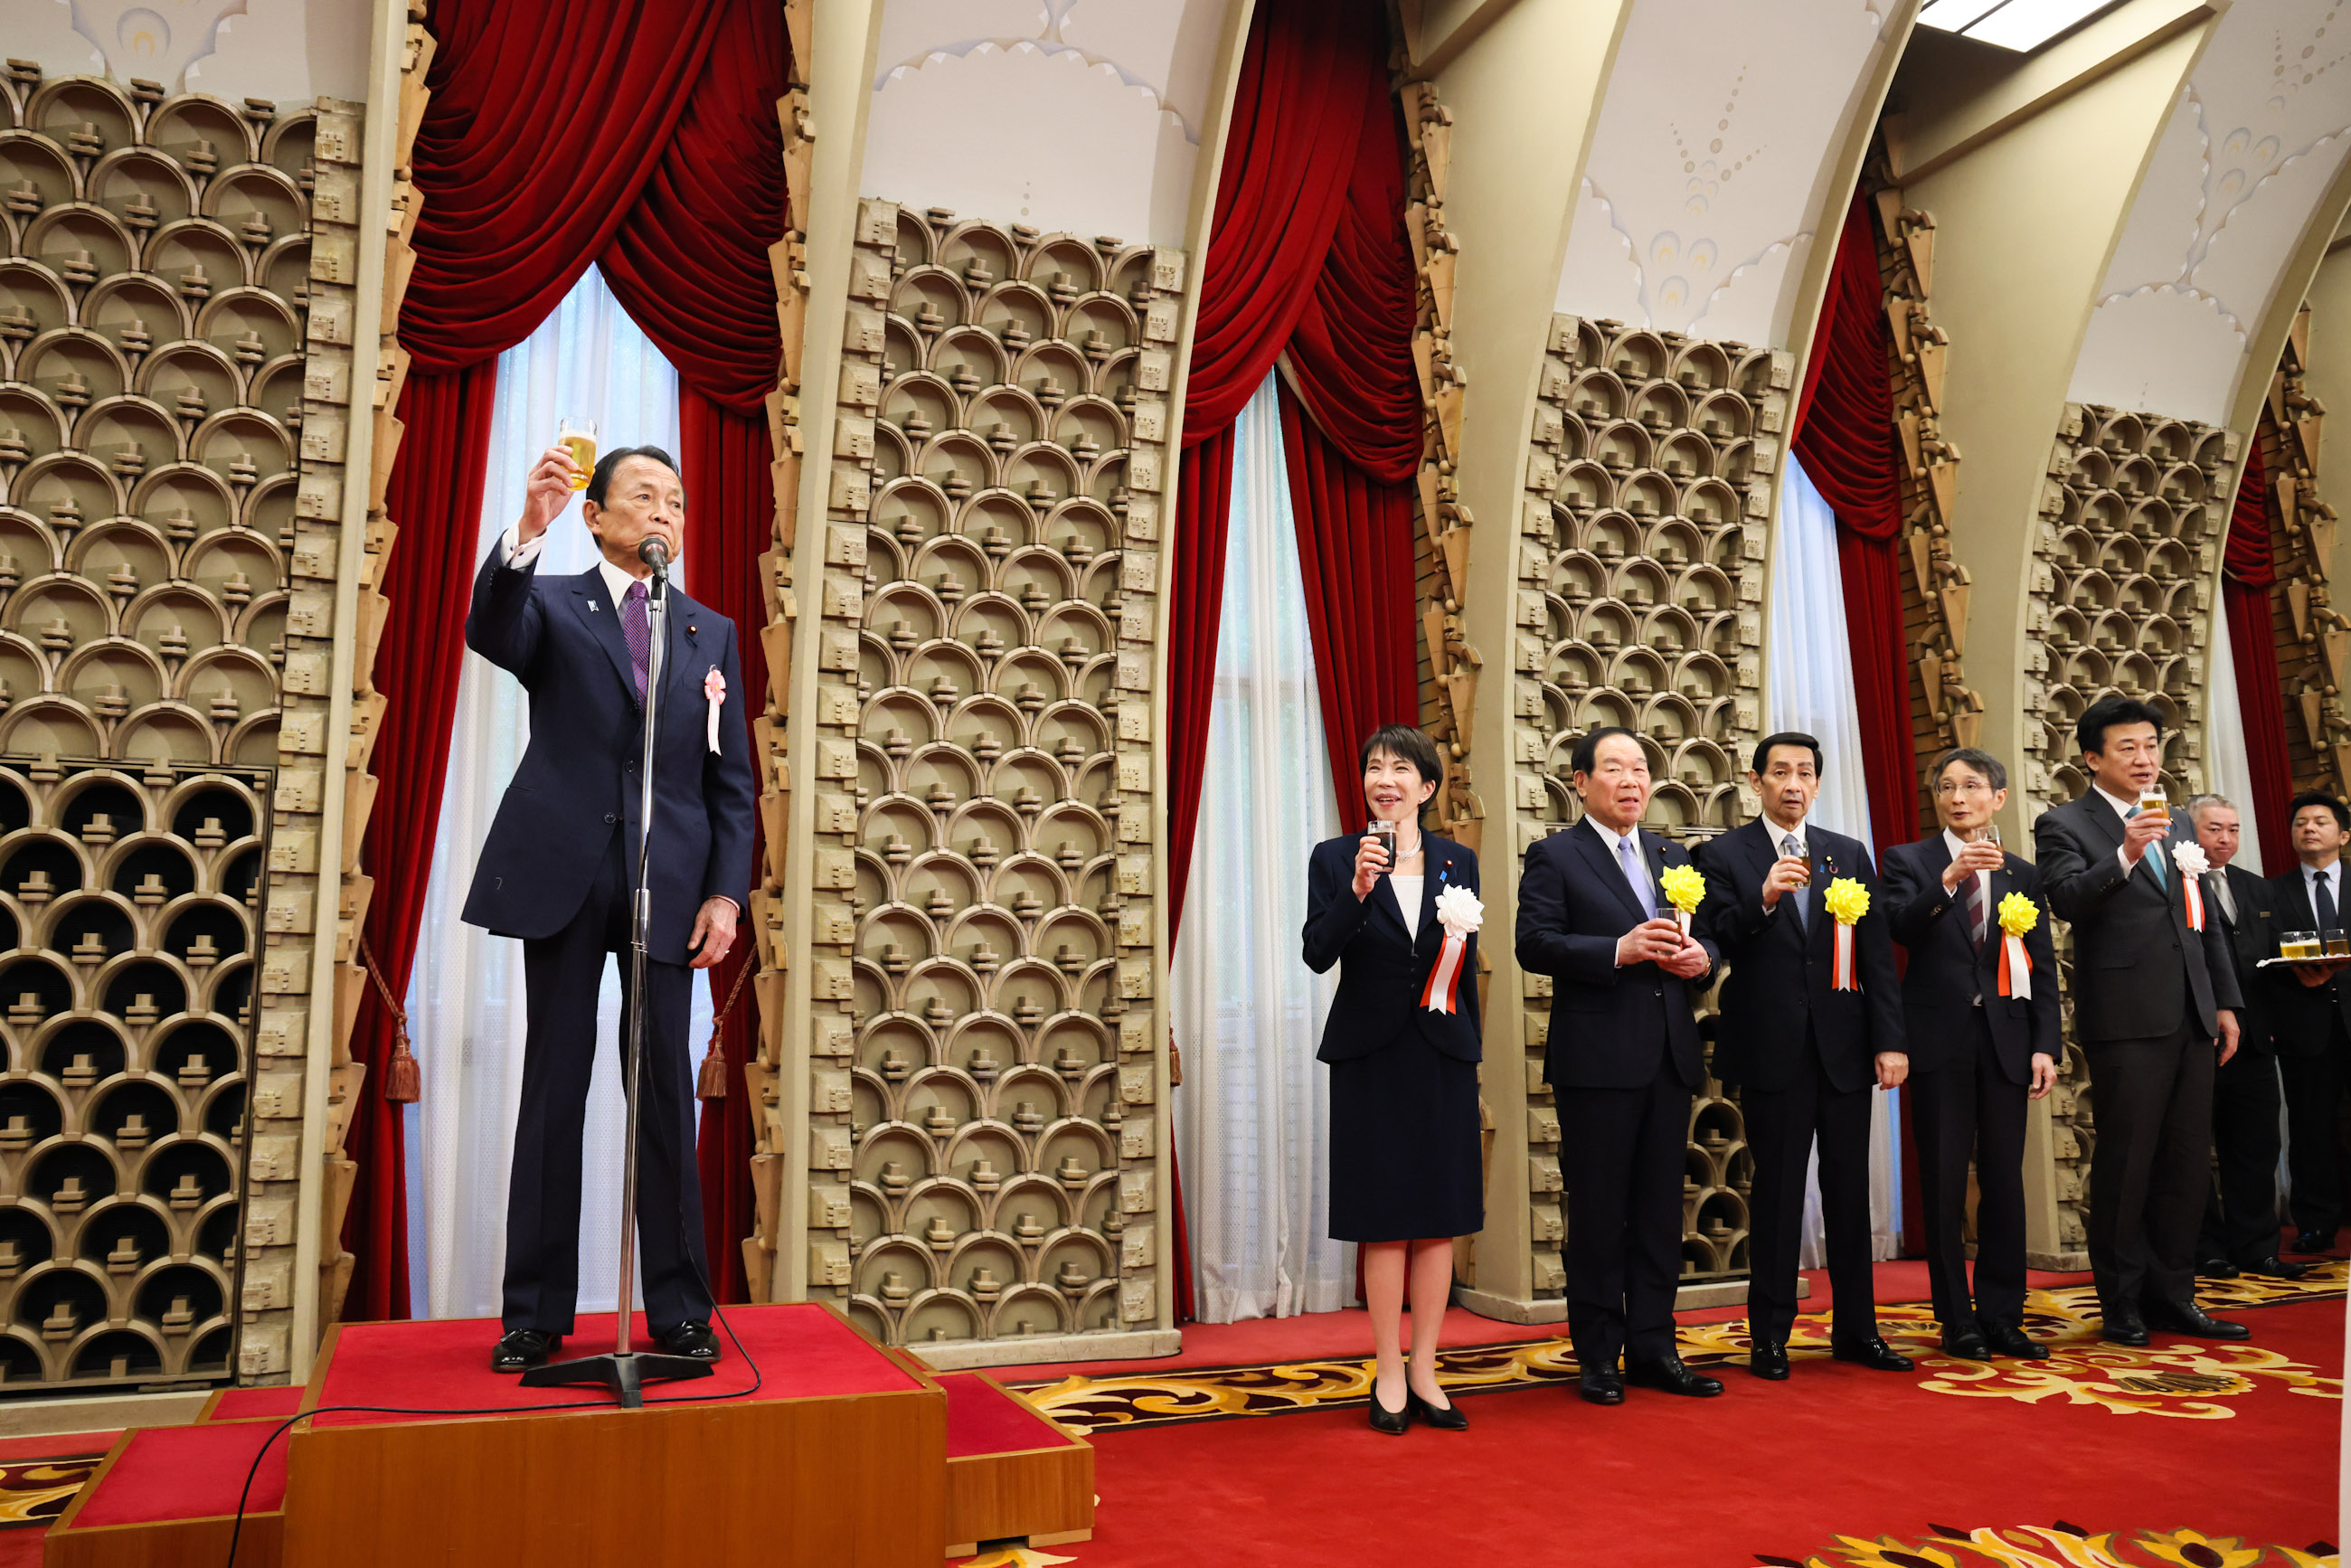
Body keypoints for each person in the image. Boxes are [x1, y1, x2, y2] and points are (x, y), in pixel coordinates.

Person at [464, 442, 755, 1373]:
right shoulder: (549, 601)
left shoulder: (711, 633)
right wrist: (526, 533)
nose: (663, 512)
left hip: (665, 887)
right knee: (555, 1085)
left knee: (663, 1093)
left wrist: (724, 892)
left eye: (675, 499)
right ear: (597, 515)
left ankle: (676, 1308)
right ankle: (535, 1315)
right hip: (561, 872)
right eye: (643, 496)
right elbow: (490, 632)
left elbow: (730, 784)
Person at [1515, 726, 1722, 1406]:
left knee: (1663, 1212)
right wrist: (1618, 949)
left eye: (1640, 768)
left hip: (1668, 1058)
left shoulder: (1670, 853)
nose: (1632, 781)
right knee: (1601, 1215)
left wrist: (1705, 961)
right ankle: (1598, 1355)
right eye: (1615, 769)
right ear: (1581, 782)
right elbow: (1534, 943)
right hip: (1598, 1062)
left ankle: (1656, 1348)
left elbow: (1706, 935)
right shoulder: (1556, 855)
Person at [1694, 732, 1911, 1380]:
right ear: (1755, 781)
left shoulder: (1847, 854)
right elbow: (1715, 940)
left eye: (1806, 773)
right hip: (1771, 1052)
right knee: (1778, 1195)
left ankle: (1858, 1332)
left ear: (1817, 784)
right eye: (1781, 772)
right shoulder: (1724, 854)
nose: (1794, 783)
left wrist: (1890, 1040)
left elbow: (1876, 955)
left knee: (1850, 1197)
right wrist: (1762, 899)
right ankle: (1770, 1337)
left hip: (1844, 1050)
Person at [2033, 695, 2245, 1345]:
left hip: (2192, 1013)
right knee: (2127, 1163)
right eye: (2128, 747)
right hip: (2127, 1018)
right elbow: (2068, 900)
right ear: (2093, 757)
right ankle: (2121, 1302)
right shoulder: (2063, 822)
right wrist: (2124, 853)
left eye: (2151, 745)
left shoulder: (2179, 820)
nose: (2145, 758)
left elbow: (2200, 917)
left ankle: (2174, 1295)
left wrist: (2225, 1003)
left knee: (2186, 1163)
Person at [1302, 724, 1482, 1435]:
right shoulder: (1336, 857)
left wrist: (1469, 1046)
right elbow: (1318, 952)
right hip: (1370, 1056)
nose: (1386, 777)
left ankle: (1428, 1369)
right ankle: (1385, 1368)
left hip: (1439, 1051)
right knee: (1384, 1219)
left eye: (1401, 767)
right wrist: (1356, 890)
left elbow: (1464, 961)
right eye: (1375, 766)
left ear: (1427, 787)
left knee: (1438, 1219)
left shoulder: (1456, 861)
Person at [1881, 748, 2060, 1360]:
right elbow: (1899, 928)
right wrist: (1949, 881)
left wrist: (2045, 1044)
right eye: (1947, 787)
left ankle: (2005, 1315)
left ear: (1998, 799)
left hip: (2008, 1042)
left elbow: (2042, 966)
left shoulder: (2023, 874)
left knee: (2005, 1183)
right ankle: (1956, 1319)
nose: (1958, 797)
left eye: (1972, 786)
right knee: (1944, 1182)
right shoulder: (1909, 861)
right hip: (1938, 1043)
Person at [2186, 795, 2305, 1280]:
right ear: (2189, 832)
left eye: (2233, 830)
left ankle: (2258, 1249)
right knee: (2192, 1153)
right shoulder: (2178, 886)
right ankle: (2206, 1250)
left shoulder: (2257, 890)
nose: (2226, 839)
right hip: (2197, 1040)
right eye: (2214, 829)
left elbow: (2278, 956)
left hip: (2256, 1040)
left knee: (2256, 1148)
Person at [2271, 790, 2351, 1257]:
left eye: (2320, 821)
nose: (2309, 828)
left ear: (2342, 834)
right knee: (2310, 1128)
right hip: (2305, 1024)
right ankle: (2317, 1223)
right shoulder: (2271, 890)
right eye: (2300, 821)